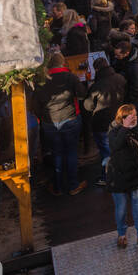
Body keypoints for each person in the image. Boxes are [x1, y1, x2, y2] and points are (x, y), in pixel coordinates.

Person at [35, 52, 89, 196]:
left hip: (50, 122)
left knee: (56, 153)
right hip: (70, 118)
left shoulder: (41, 80)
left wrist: (42, 117)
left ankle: (58, 187)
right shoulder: (70, 77)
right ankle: (73, 185)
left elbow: (35, 103)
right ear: (63, 63)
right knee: (71, 152)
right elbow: (82, 94)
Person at [105, 104, 138, 249]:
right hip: (118, 177)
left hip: (135, 175)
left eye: (135, 115)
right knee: (121, 208)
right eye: (131, 116)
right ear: (122, 118)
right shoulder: (114, 130)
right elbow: (115, 146)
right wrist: (125, 128)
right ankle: (121, 235)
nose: (134, 118)